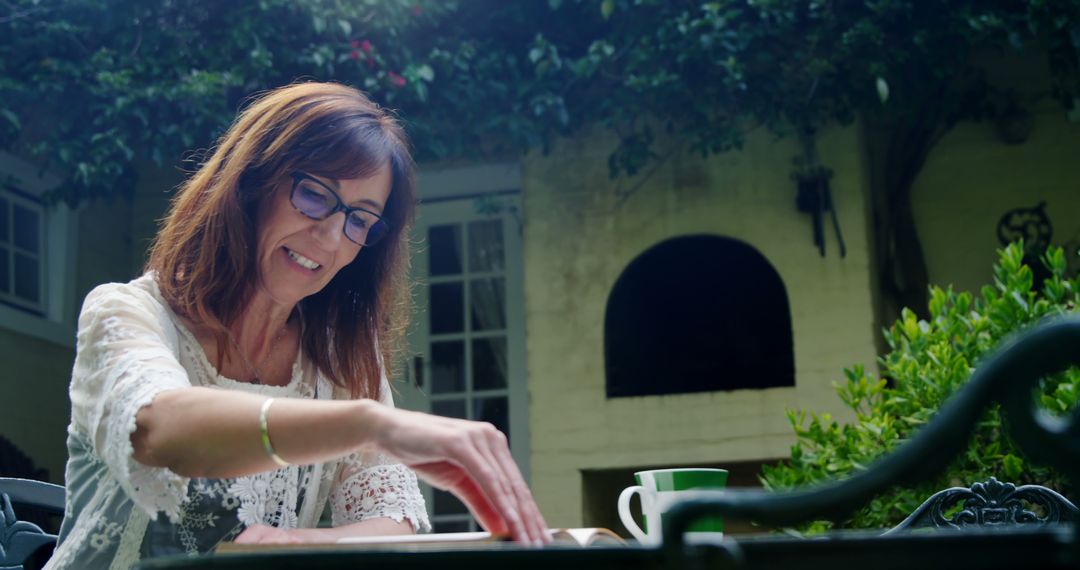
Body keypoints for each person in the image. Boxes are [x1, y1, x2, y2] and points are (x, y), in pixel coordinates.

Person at [45, 82, 548, 569]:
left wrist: (291, 542)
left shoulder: (341, 355)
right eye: (314, 194)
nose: (330, 237)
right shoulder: (125, 312)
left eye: (360, 219)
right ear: (249, 184)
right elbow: (158, 428)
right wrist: (371, 423)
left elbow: (390, 518)